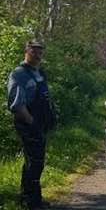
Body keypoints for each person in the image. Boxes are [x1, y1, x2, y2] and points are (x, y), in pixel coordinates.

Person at [7, 40, 55, 210]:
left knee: (34, 162)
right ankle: (31, 201)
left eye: (40, 51)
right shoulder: (19, 74)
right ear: (26, 51)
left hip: (40, 124)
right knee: (35, 163)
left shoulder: (39, 72)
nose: (38, 54)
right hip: (28, 125)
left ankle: (30, 197)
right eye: (34, 51)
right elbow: (17, 105)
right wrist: (32, 124)